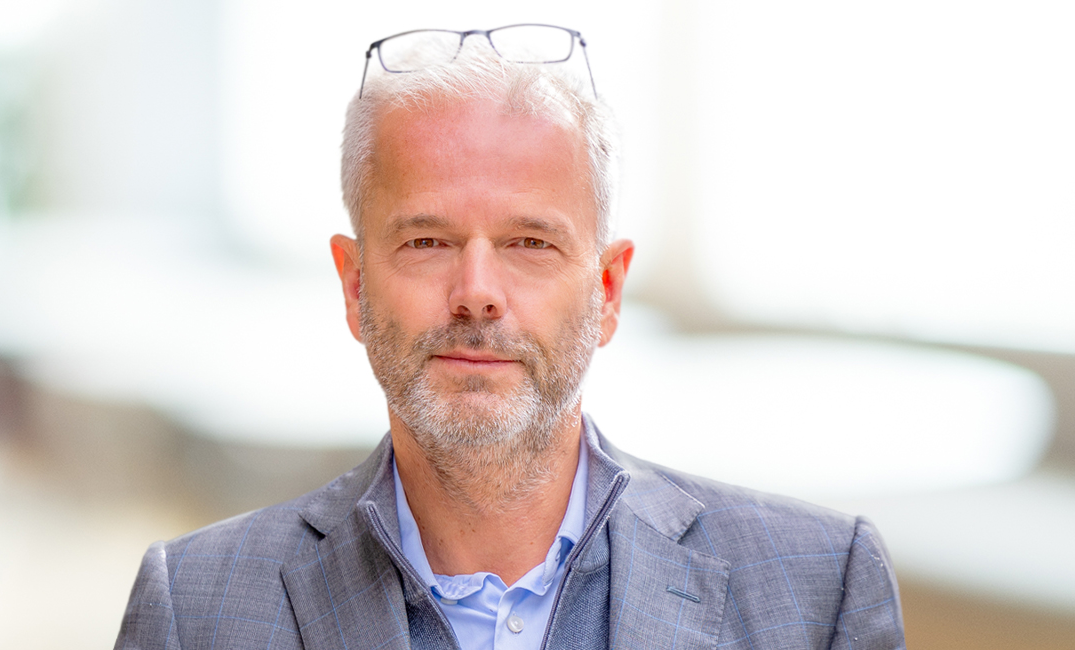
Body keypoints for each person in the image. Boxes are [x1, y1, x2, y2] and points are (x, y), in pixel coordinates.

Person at [113, 25, 905, 650]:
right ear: (353, 285)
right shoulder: (197, 608)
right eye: (427, 241)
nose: (478, 294)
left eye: (530, 243)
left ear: (607, 289)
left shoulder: (816, 592)